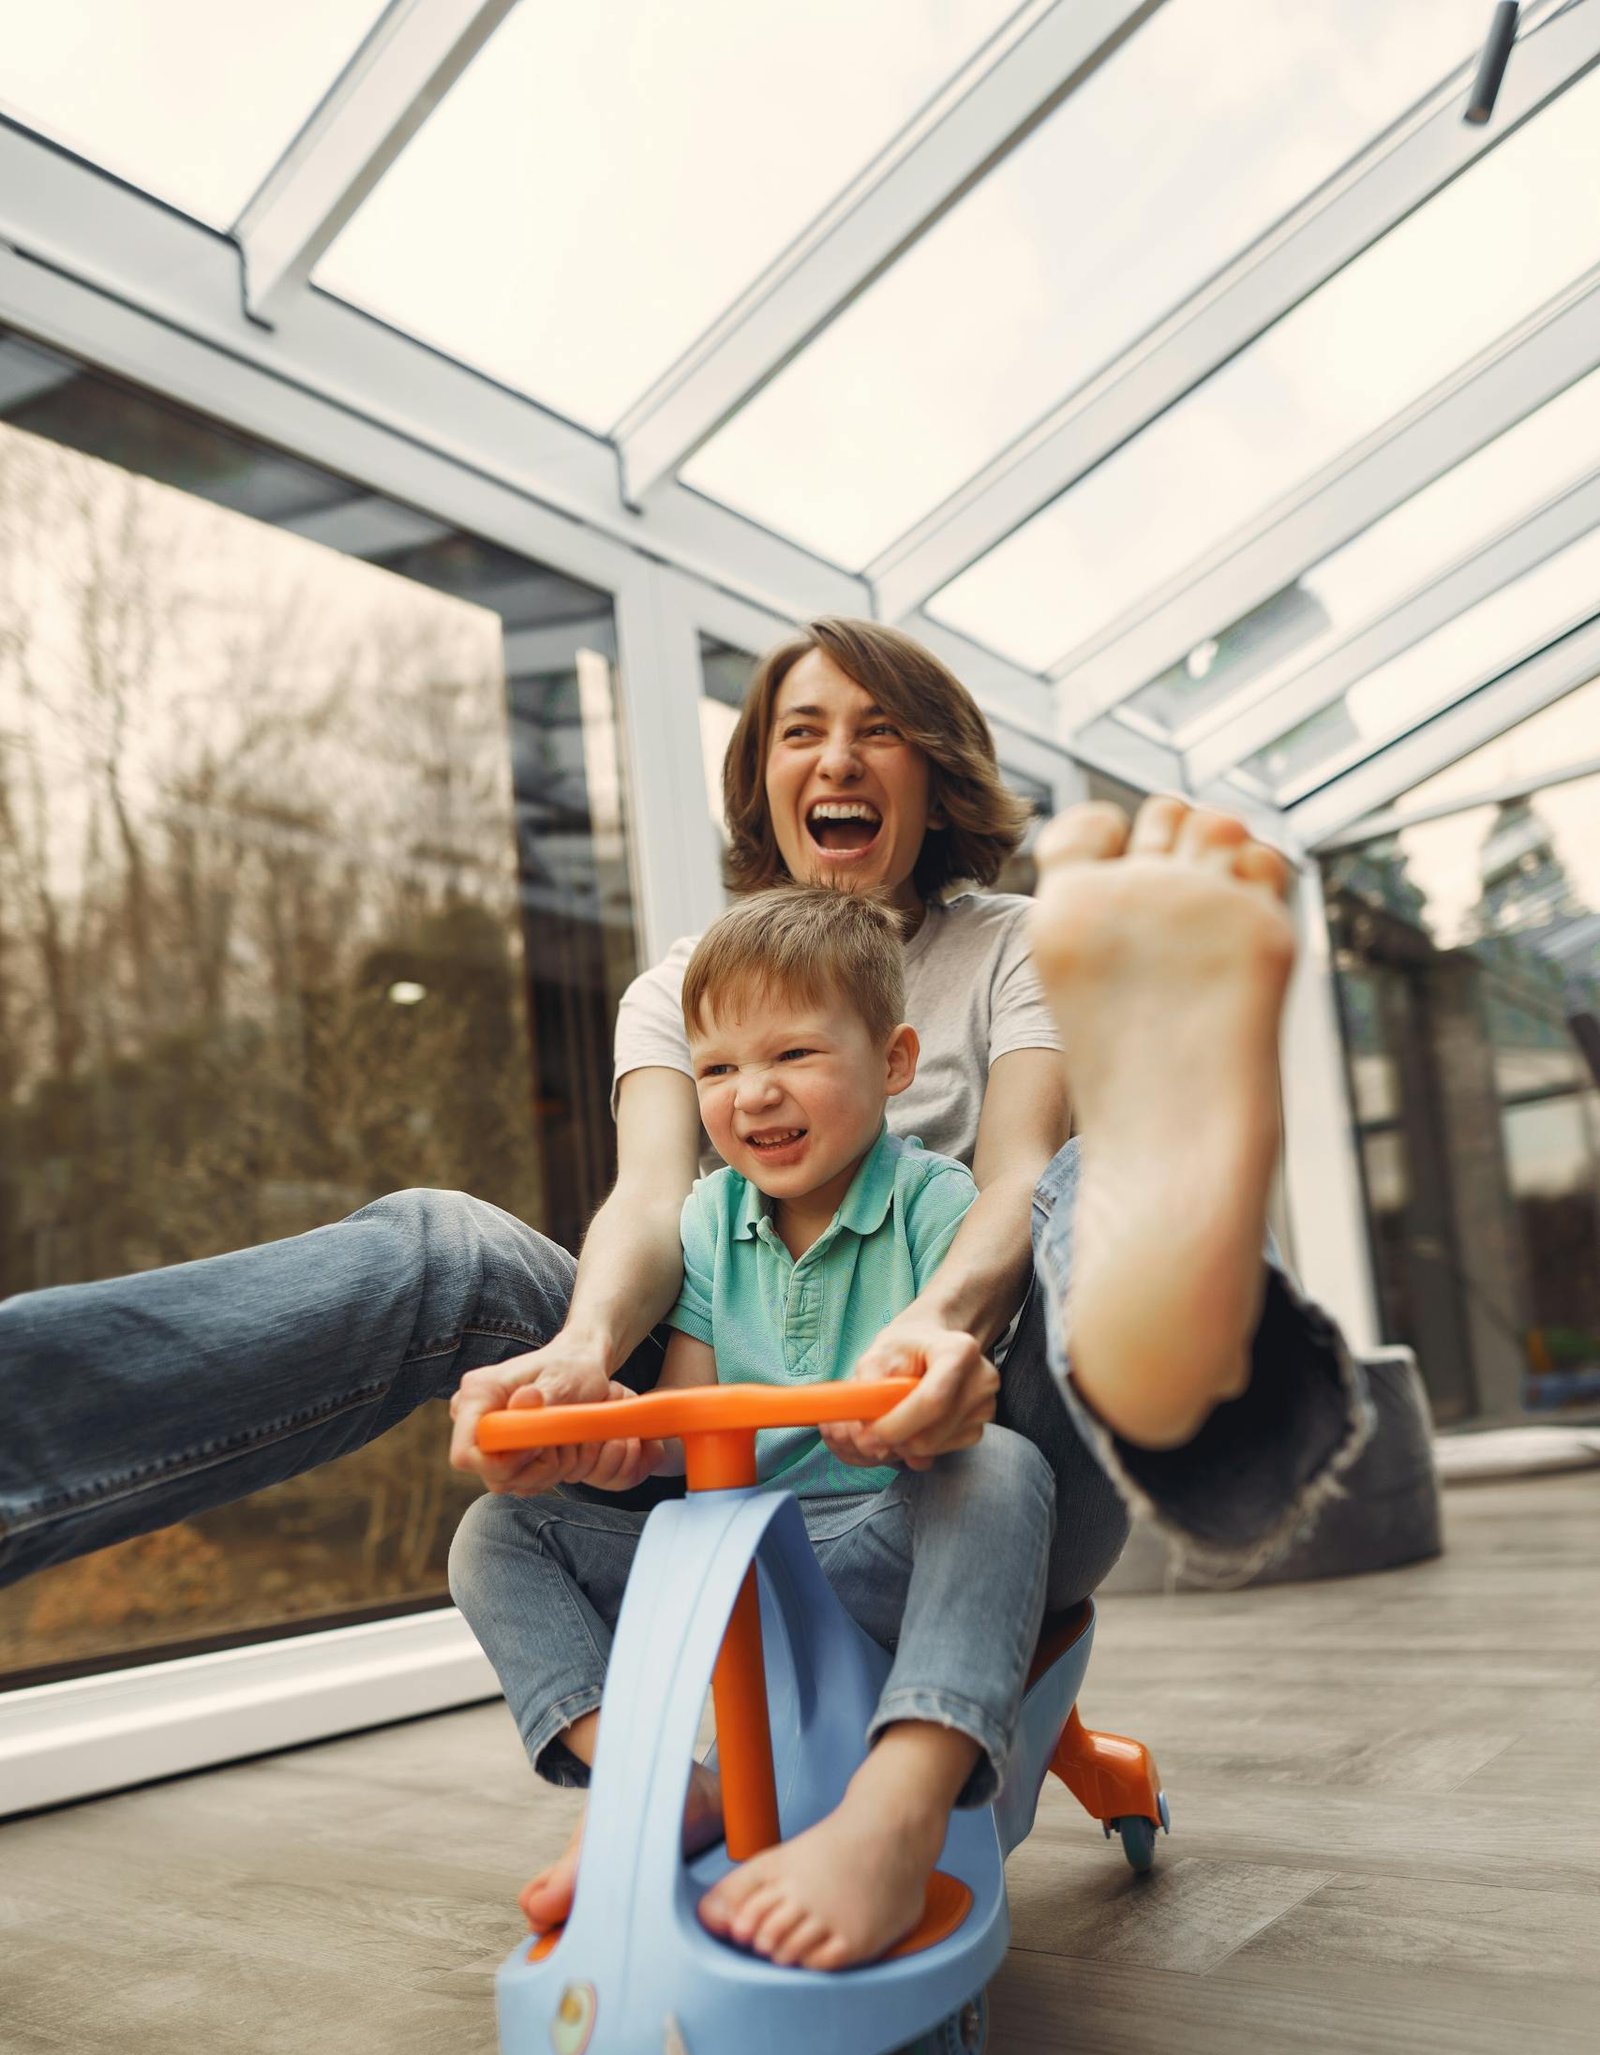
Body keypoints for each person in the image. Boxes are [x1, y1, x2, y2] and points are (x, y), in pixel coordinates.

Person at [1, 618, 1371, 1841]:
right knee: (441, 1244)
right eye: (802, 730)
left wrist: (935, 1328)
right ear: (762, 779)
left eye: (878, 731)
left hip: (981, 1427)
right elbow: (653, 1204)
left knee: (1088, 1168)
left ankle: (1187, 1364)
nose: (839, 758)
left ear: (931, 775)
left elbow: (1010, 1174)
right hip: (742, 1438)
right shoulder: (680, 990)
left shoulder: (1028, 942)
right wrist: (590, 1355)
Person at [448, 883, 1056, 1972]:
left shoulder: (934, 1206)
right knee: (497, 1537)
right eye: (718, 1069)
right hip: (726, 1550)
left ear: (896, 1061)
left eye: (793, 1056)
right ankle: (649, 1788)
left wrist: (916, 1427)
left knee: (1003, 1472)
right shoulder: (705, 1220)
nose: (751, 1095)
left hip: (874, 1541)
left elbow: (957, 1403)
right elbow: (687, 1421)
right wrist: (626, 1439)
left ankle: (900, 1805)